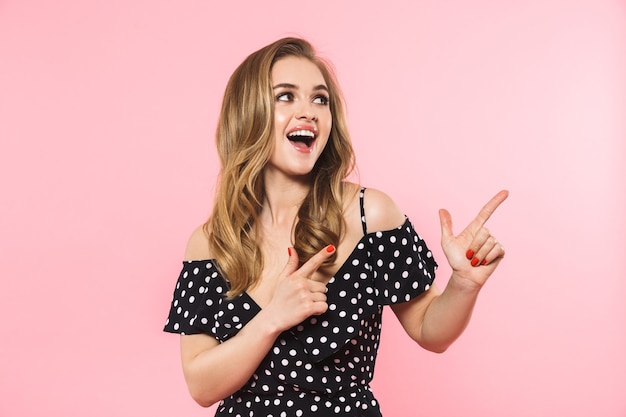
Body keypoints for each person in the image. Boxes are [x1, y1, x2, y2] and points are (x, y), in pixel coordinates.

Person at [164, 37, 508, 416]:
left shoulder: (370, 215)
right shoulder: (212, 242)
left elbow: (431, 331)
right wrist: (272, 319)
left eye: (320, 99)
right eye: (285, 96)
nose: (309, 112)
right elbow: (201, 386)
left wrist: (463, 285)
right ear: (248, 113)